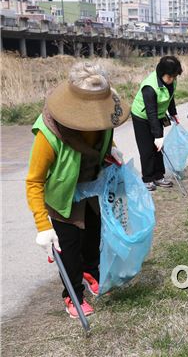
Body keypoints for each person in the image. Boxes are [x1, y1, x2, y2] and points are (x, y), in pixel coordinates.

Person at [26, 62, 129, 318]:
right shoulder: (48, 135)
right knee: (69, 250)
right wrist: (43, 226)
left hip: (93, 189)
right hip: (63, 200)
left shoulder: (104, 121)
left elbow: (103, 139)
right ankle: (72, 295)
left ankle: (91, 271)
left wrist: (111, 149)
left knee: (93, 240)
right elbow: (34, 181)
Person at [131, 56, 182, 191]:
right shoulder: (150, 87)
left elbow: (170, 98)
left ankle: (159, 176)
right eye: (170, 76)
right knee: (147, 149)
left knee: (159, 149)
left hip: (158, 116)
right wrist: (158, 136)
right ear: (161, 73)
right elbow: (151, 113)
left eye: (174, 76)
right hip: (142, 117)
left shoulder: (171, 81)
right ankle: (147, 178)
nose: (172, 79)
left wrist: (173, 113)